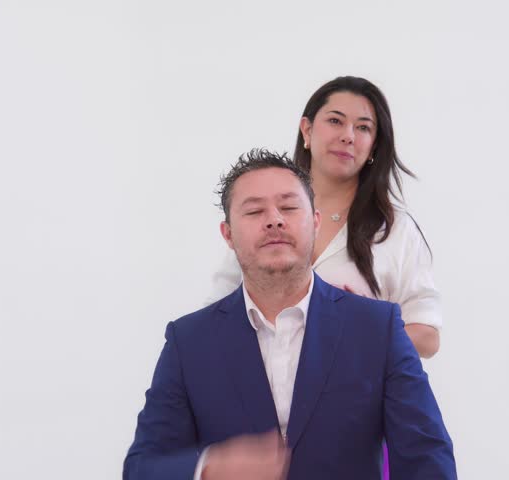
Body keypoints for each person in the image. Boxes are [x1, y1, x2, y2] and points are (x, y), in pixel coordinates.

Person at [123, 150, 456, 479]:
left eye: (289, 207)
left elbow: (427, 457)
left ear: (315, 222)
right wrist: (208, 469)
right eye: (254, 211)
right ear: (228, 234)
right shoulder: (188, 341)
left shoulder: (377, 327)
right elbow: (141, 468)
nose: (274, 220)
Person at [209, 76, 442, 359]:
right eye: (335, 121)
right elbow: (215, 314)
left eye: (363, 127)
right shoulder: (265, 218)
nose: (348, 136)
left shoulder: (395, 230)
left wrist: (362, 325)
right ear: (307, 130)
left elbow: (428, 337)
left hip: (355, 383)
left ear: (374, 146)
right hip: (261, 380)